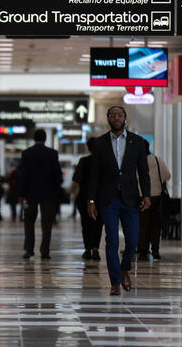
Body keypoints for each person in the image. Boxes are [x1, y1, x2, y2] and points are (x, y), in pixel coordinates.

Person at [87, 106, 151, 296]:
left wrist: (146, 195)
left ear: (125, 118)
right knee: (112, 240)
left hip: (131, 199)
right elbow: (94, 174)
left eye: (120, 115)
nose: (116, 118)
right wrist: (91, 200)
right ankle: (115, 281)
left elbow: (144, 172)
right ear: (108, 118)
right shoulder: (100, 143)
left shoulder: (137, 142)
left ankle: (125, 269)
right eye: (113, 115)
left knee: (132, 240)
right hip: (109, 200)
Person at [18, 128, 62, 259]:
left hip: (30, 194)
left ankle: (29, 250)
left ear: (34, 138)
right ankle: (45, 251)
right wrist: (56, 188)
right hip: (49, 194)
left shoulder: (26, 153)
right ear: (45, 139)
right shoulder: (52, 153)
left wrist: (21, 194)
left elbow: (23, 175)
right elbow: (57, 174)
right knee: (47, 223)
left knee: (29, 221)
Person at [137, 141, 171, 261]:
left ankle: (143, 252)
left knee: (143, 225)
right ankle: (155, 250)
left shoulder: (135, 161)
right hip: (156, 197)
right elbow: (167, 176)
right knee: (156, 224)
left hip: (141, 197)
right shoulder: (157, 160)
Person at [72, 138, 103, 260]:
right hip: (100, 197)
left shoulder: (83, 161)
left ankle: (87, 249)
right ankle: (95, 249)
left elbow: (76, 179)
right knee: (98, 224)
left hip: (84, 197)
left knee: (85, 224)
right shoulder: (103, 161)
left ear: (88, 148)